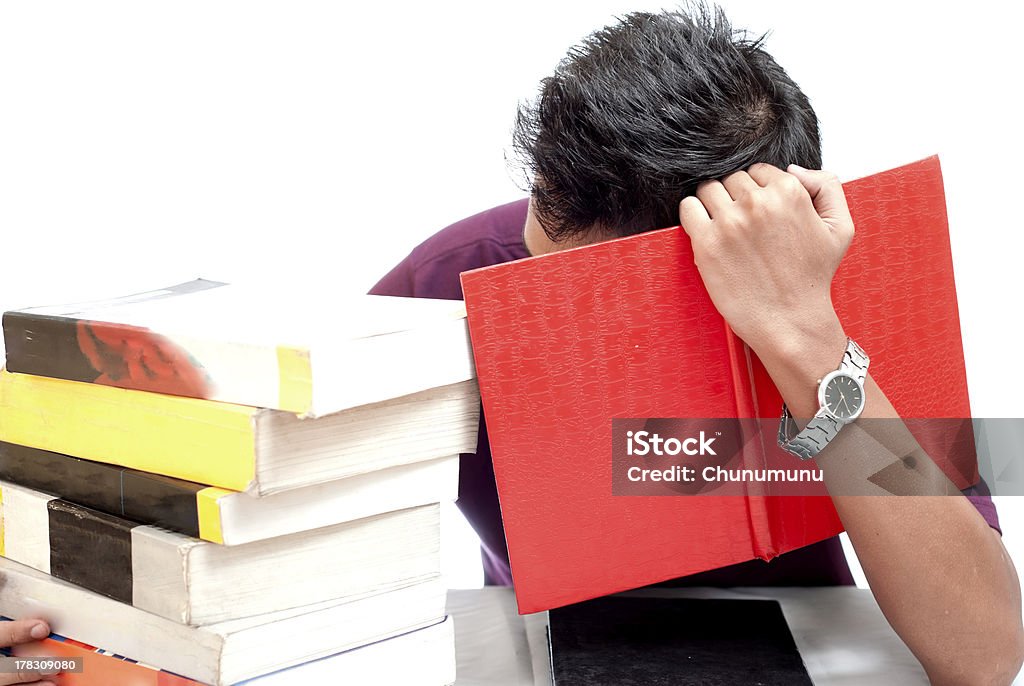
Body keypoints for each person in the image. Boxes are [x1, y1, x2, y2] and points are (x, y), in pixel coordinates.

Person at [370, 5, 1024, 684]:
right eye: (547, 284)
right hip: (535, 650)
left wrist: (807, 338)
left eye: (603, 302)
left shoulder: (850, 287)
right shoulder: (449, 279)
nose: (569, 324)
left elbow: (982, 655)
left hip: (800, 642)